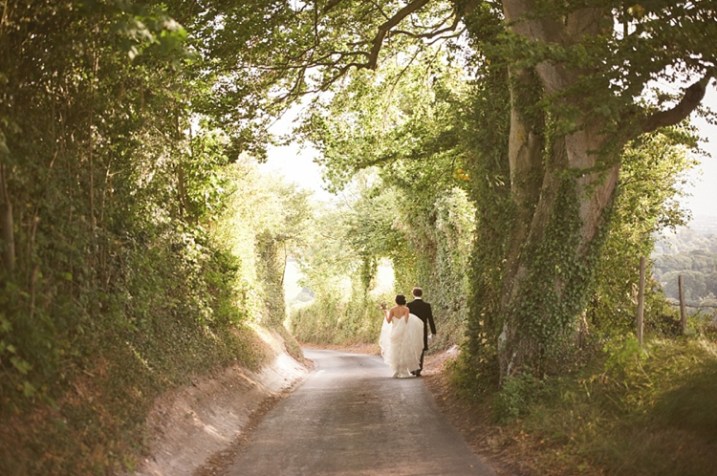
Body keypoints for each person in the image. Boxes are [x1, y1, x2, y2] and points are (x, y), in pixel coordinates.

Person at [378, 295, 425, 378]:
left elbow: (388, 321)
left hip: (394, 332)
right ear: (403, 301)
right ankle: (403, 370)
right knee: (404, 350)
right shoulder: (406, 309)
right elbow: (406, 321)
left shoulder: (392, 310)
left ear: (396, 301)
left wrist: (386, 312)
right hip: (403, 332)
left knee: (395, 350)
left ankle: (396, 370)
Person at [407, 287, 436, 377]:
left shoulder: (409, 305)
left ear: (413, 294)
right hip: (423, 329)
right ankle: (419, 369)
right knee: (421, 347)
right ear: (421, 294)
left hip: (412, 329)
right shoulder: (426, 305)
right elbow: (430, 319)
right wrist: (433, 331)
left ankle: (412, 368)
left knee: (412, 348)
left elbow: (407, 319)